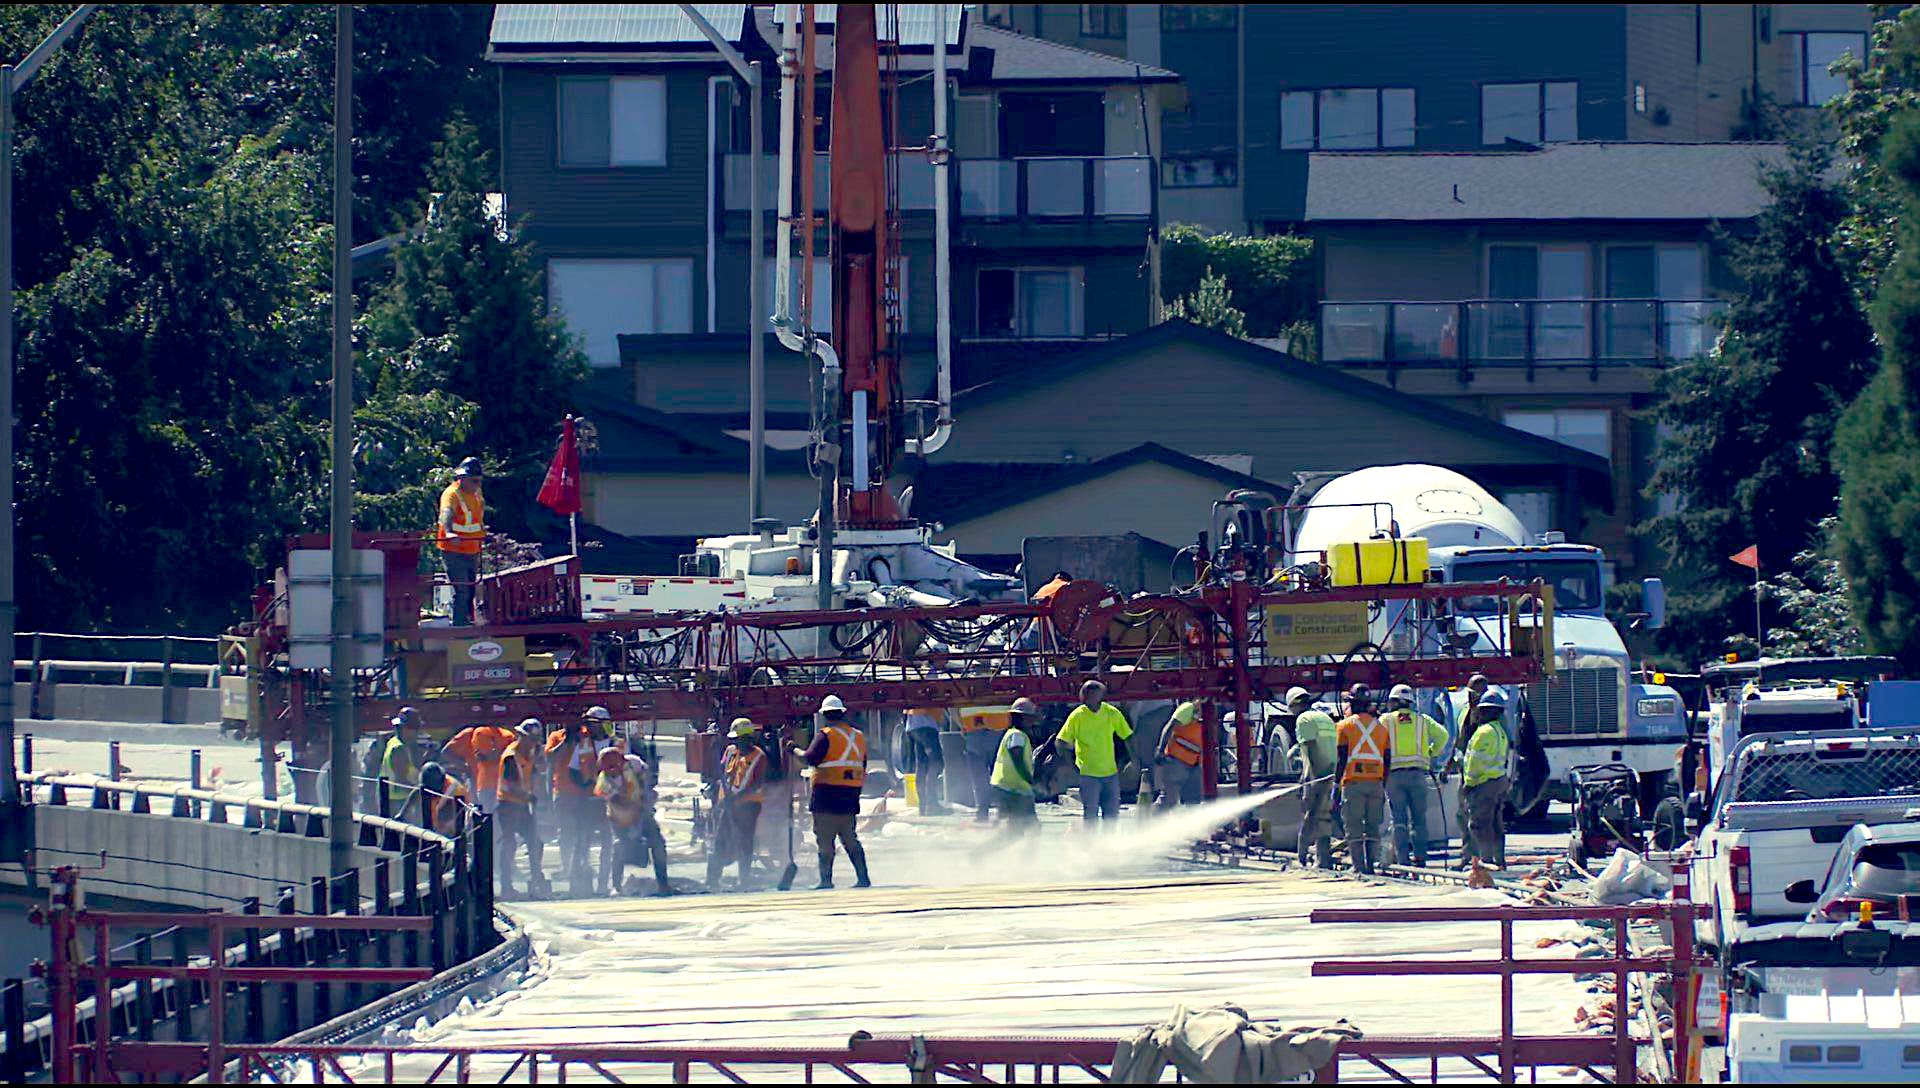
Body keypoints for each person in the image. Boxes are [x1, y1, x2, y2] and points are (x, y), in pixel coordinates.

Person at [797, 694, 871, 889]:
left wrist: (792, 749)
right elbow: (862, 764)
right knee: (849, 838)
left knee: (825, 840)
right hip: (850, 796)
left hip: (826, 795)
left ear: (825, 715)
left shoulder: (825, 735)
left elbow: (809, 759)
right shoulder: (858, 736)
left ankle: (826, 881)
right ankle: (863, 878)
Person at [1382, 683, 1452, 868]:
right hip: (1418, 775)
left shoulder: (1385, 720)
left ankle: (1403, 860)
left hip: (1394, 777)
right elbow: (1444, 736)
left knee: (1399, 820)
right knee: (1419, 819)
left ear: (1395, 701)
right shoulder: (1423, 720)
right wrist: (1431, 752)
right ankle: (1420, 858)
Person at [547, 706, 613, 897]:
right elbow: (572, 769)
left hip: (610, 801)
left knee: (609, 842)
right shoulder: (581, 742)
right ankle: (579, 881)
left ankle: (604, 883)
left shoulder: (616, 742)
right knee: (580, 840)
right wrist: (588, 789)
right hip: (585, 799)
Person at [596, 747, 674, 896]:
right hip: (621, 818)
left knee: (658, 843)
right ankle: (616, 886)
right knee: (618, 846)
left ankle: (663, 884)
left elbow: (648, 777)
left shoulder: (634, 763)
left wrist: (647, 793)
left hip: (643, 812)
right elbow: (618, 802)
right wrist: (634, 815)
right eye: (609, 768)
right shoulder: (604, 783)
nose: (614, 770)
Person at [1054, 680, 1133, 825]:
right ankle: (1091, 844)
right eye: (1087, 693)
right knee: (1090, 814)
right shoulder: (1077, 716)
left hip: (1110, 772)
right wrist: (1071, 765)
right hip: (1088, 774)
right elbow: (1060, 742)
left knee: (1112, 813)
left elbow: (1127, 736)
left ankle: (1109, 843)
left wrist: (1133, 760)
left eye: (1095, 693)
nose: (1090, 697)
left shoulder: (1111, 712)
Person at [708, 717, 769, 889]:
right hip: (727, 805)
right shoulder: (730, 751)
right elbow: (721, 772)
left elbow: (757, 784)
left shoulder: (759, 757)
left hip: (748, 806)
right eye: (735, 739)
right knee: (720, 840)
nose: (737, 742)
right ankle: (712, 879)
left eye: (740, 739)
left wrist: (737, 797)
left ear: (749, 737)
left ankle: (744, 880)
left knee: (745, 841)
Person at [1335, 685, 1391, 875]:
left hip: (1353, 784)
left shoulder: (1344, 726)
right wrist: (1382, 784)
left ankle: (1358, 867)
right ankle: (1371, 866)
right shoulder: (1382, 729)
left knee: (1354, 827)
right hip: (1376, 783)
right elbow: (1387, 759)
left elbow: (1341, 759)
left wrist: (1336, 784)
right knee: (1373, 826)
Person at [495, 718, 550, 898]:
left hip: (523, 804)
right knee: (509, 844)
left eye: (536, 740)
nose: (533, 743)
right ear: (521, 737)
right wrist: (528, 796)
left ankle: (536, 879)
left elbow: (535, 773)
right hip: (508, 805)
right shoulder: (511, 756)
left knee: (536, 842)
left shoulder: (531, 752)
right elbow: (510, 786)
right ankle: (506, 886)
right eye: (530, 739)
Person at [1458, 692, 1513, 870]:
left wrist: (1469, 783)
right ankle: (1499, 860)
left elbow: (1475, 762)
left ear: (1490, 711)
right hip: (1498, 781)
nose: (1479, 714)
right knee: (1496, 823)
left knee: (1479, 824)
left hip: (1483, 784)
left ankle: (1484, 861)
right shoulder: (1500, 732)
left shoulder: (1483, 732)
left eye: (1482, 710)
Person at [1287, 687, 1339, 870]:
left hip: (1317, 775)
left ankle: (1300, 857)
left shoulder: (1303, 719)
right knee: (1323, 818)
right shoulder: (1324, 718)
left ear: (1294, 705)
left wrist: (1307, 780)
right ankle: (1323, 859)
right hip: (1332, 773)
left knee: (1310, 816)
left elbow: (1309, 751)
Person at [437, 456, 486, 626]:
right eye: (474, 481)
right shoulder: (451, 494)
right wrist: (449, 532)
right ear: (462, 478)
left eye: (479, 481)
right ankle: (459, 627)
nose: (477, 485)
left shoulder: (476, 494)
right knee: (462, 590)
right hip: (454, 551)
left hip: (473, 549)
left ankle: (469, 623)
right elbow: (446, 513)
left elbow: (476, 519)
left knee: (471, 589)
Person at [990, 698, 1042, 834]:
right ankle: (979, 854)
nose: (1033, 721)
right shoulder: (1017, 736)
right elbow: (1017, 759)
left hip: (1010, 787)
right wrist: (1029, 779)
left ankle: (982, 853)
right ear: (1023, 718)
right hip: (1015, 789)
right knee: (1027, 830)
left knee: (1017, 832)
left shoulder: (1014, 734)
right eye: (1031, 717)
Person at [441, 721, 516, 813]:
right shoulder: (468, 734)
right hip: (476, 783)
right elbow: (446, 752)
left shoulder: (506, 735)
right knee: (475, 814)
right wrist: (465, 767)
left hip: (500, 785)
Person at [959, 705, 1011, 823]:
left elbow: (953, 706)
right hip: (998, 724)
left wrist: (962, 724)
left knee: (979, 777)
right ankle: (1002, 810)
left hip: (973, 727)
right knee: (999, 774)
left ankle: (982, 812)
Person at [1153, 701, 1204, 810]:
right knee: (1168, 798)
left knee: (1193, 800)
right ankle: (1153, 823)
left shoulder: (1209, 712)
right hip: (1176, 760)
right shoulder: (1188, 708)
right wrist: (1160, 750)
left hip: (1194, 764)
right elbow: (1169, 727)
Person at [379, 709, 428, 820]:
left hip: (394, 799)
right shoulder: (399, 749)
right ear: (407, 729)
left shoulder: (394, 741)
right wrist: (421, 792)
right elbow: (401, 781)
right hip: (400, 802)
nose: (417, 732)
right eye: (416, 729)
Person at [902, 707, 948, 815]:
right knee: (936, 763)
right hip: (926, 725)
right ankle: (932, 805)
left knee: (922, 765)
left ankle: (923, 806)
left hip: (913, 726)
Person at [418, 762, 470, 838]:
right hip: (435, 827)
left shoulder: (457, 790)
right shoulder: (426, 785)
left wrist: (452, 824)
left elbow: (465, 811)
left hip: (454, 827)